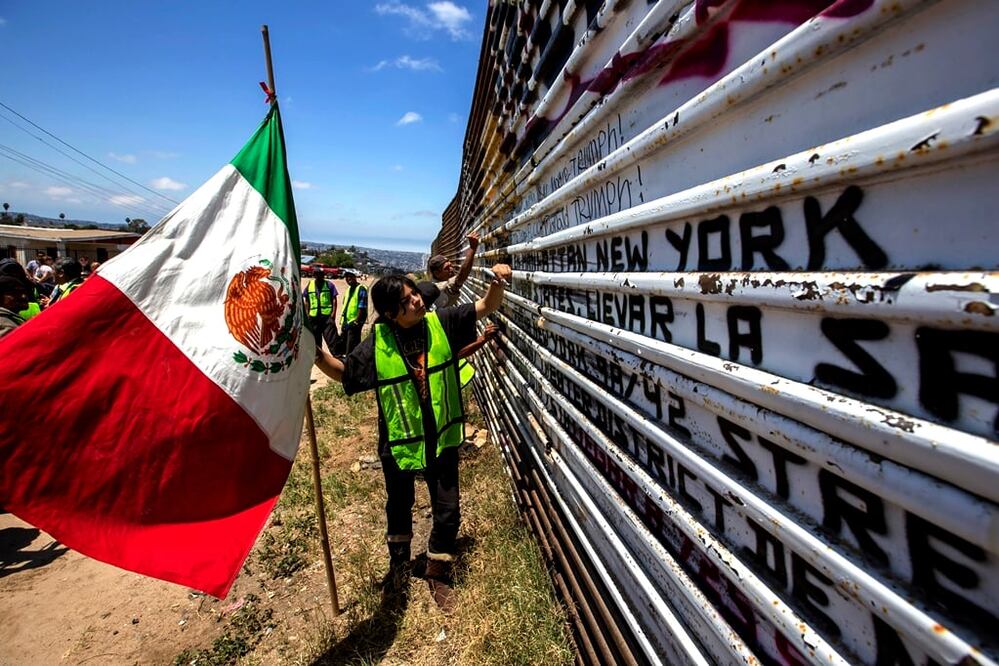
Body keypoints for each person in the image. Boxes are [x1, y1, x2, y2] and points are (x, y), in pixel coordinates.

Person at [315, 262, 512, 610]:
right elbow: (345, 374)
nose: (418, 302)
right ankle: (399, 567)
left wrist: (497, 281)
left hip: (443, 437)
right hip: (399, 443)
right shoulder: (378, 344)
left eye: (415, 294)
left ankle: (438, 570)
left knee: (448, 510)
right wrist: (314, 357)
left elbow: (486, 305)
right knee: (399, 506)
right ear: (391, 313)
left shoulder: (441, 322)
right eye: (407, 301)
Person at [426, 232, 479, 310]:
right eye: (447, 268)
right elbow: (460, 279)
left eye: (451, 265)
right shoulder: (439, 288)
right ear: (437, 273)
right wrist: (472, 248)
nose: (451, 269)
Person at [302, 266, 338, 351]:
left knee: (331, 340)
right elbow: (307, 301)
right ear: (314, 275)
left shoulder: (329, 285)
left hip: (326, 317)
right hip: (313, 317)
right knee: (316, 340)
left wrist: (333, 314)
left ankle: (337, 357)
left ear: (323, 275)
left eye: (321, 274)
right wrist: (307, 314)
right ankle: (320, 358)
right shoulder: (310, 285)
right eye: (316, 274)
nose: (318, 276)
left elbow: (334, 300)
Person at [336, 271, 367, 357]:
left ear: (354, 277)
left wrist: (357, 321)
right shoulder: (349, 289)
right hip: (347, 321)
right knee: (345, 342)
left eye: (350, 277)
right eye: (346, 278)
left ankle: (352, 363)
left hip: (354, 321)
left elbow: (362, 307)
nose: (348, 279)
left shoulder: (361, 289)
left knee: (352, 344)